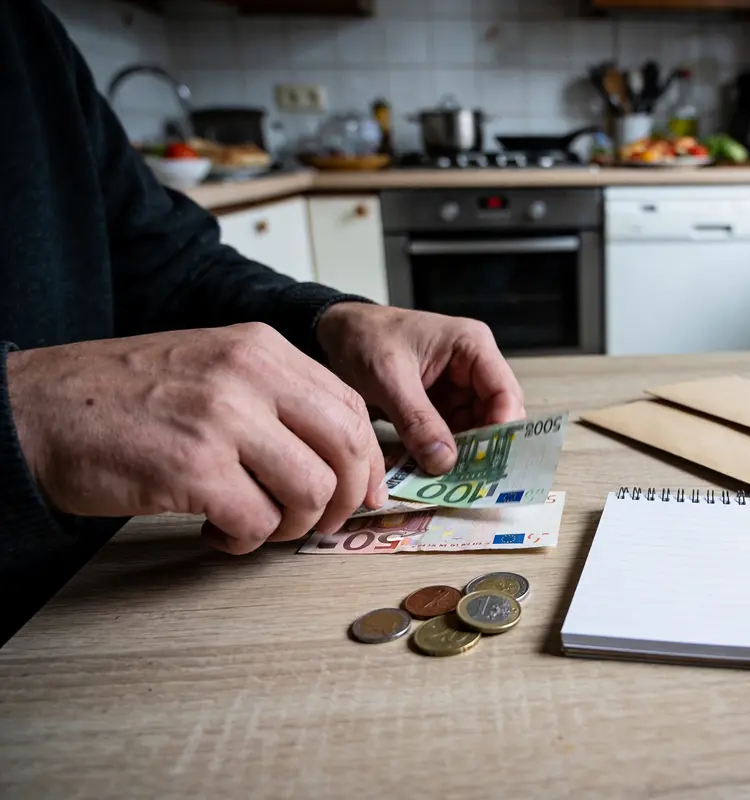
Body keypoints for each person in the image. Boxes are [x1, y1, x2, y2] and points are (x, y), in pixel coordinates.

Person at [0, 0, 525, 644]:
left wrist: (335, 320)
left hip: (119, 588)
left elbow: (172, 266)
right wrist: (23, 411)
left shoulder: (27, 33)